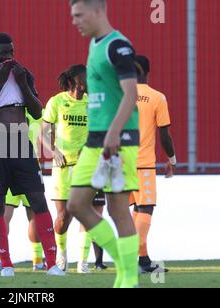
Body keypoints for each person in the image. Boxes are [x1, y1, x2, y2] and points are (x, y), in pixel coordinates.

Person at [0, 33, 64, 277]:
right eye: (3, 53)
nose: (9, 57)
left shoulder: (24, 73)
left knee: (38, 199)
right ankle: (6, 264)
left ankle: (52, 264)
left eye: (11, 52)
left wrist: (22, 83)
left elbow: (36, 112)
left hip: (21, 142)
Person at [68, 0, 140, 288]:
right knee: (76, 205)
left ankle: (128, 279)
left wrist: (113, 132)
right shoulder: (95, 44)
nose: (75, 21)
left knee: (118, 210)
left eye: (79, 15)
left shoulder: (117, 45)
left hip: (118, 140)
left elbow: (131, 94)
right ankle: (125, 269)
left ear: (98, 11)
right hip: (95, 140)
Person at [42, 64, 107, 273]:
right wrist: (54, 151)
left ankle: (83, 261)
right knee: (63, 218)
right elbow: (43, 132)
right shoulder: (57, 101)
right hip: (62, 167)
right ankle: (61, 256)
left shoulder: (93, 104)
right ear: (77, 81)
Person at [130, 55, 176, 273]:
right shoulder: (157, 97)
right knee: (146, 208)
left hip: (122, 162)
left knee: (137, 209)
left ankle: (143, 261)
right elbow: (164, 135)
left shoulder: (121, 96)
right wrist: (172, 159)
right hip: (144, 164)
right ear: (148, 72)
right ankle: (129, 259)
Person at [0, 111, 46, 272]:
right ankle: (37, 261)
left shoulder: (7, 108)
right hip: (29, 167)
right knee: (34, 214)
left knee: (5, 213)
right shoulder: (39, 112)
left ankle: (0, 259)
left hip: (9, 165)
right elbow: (47, 136)